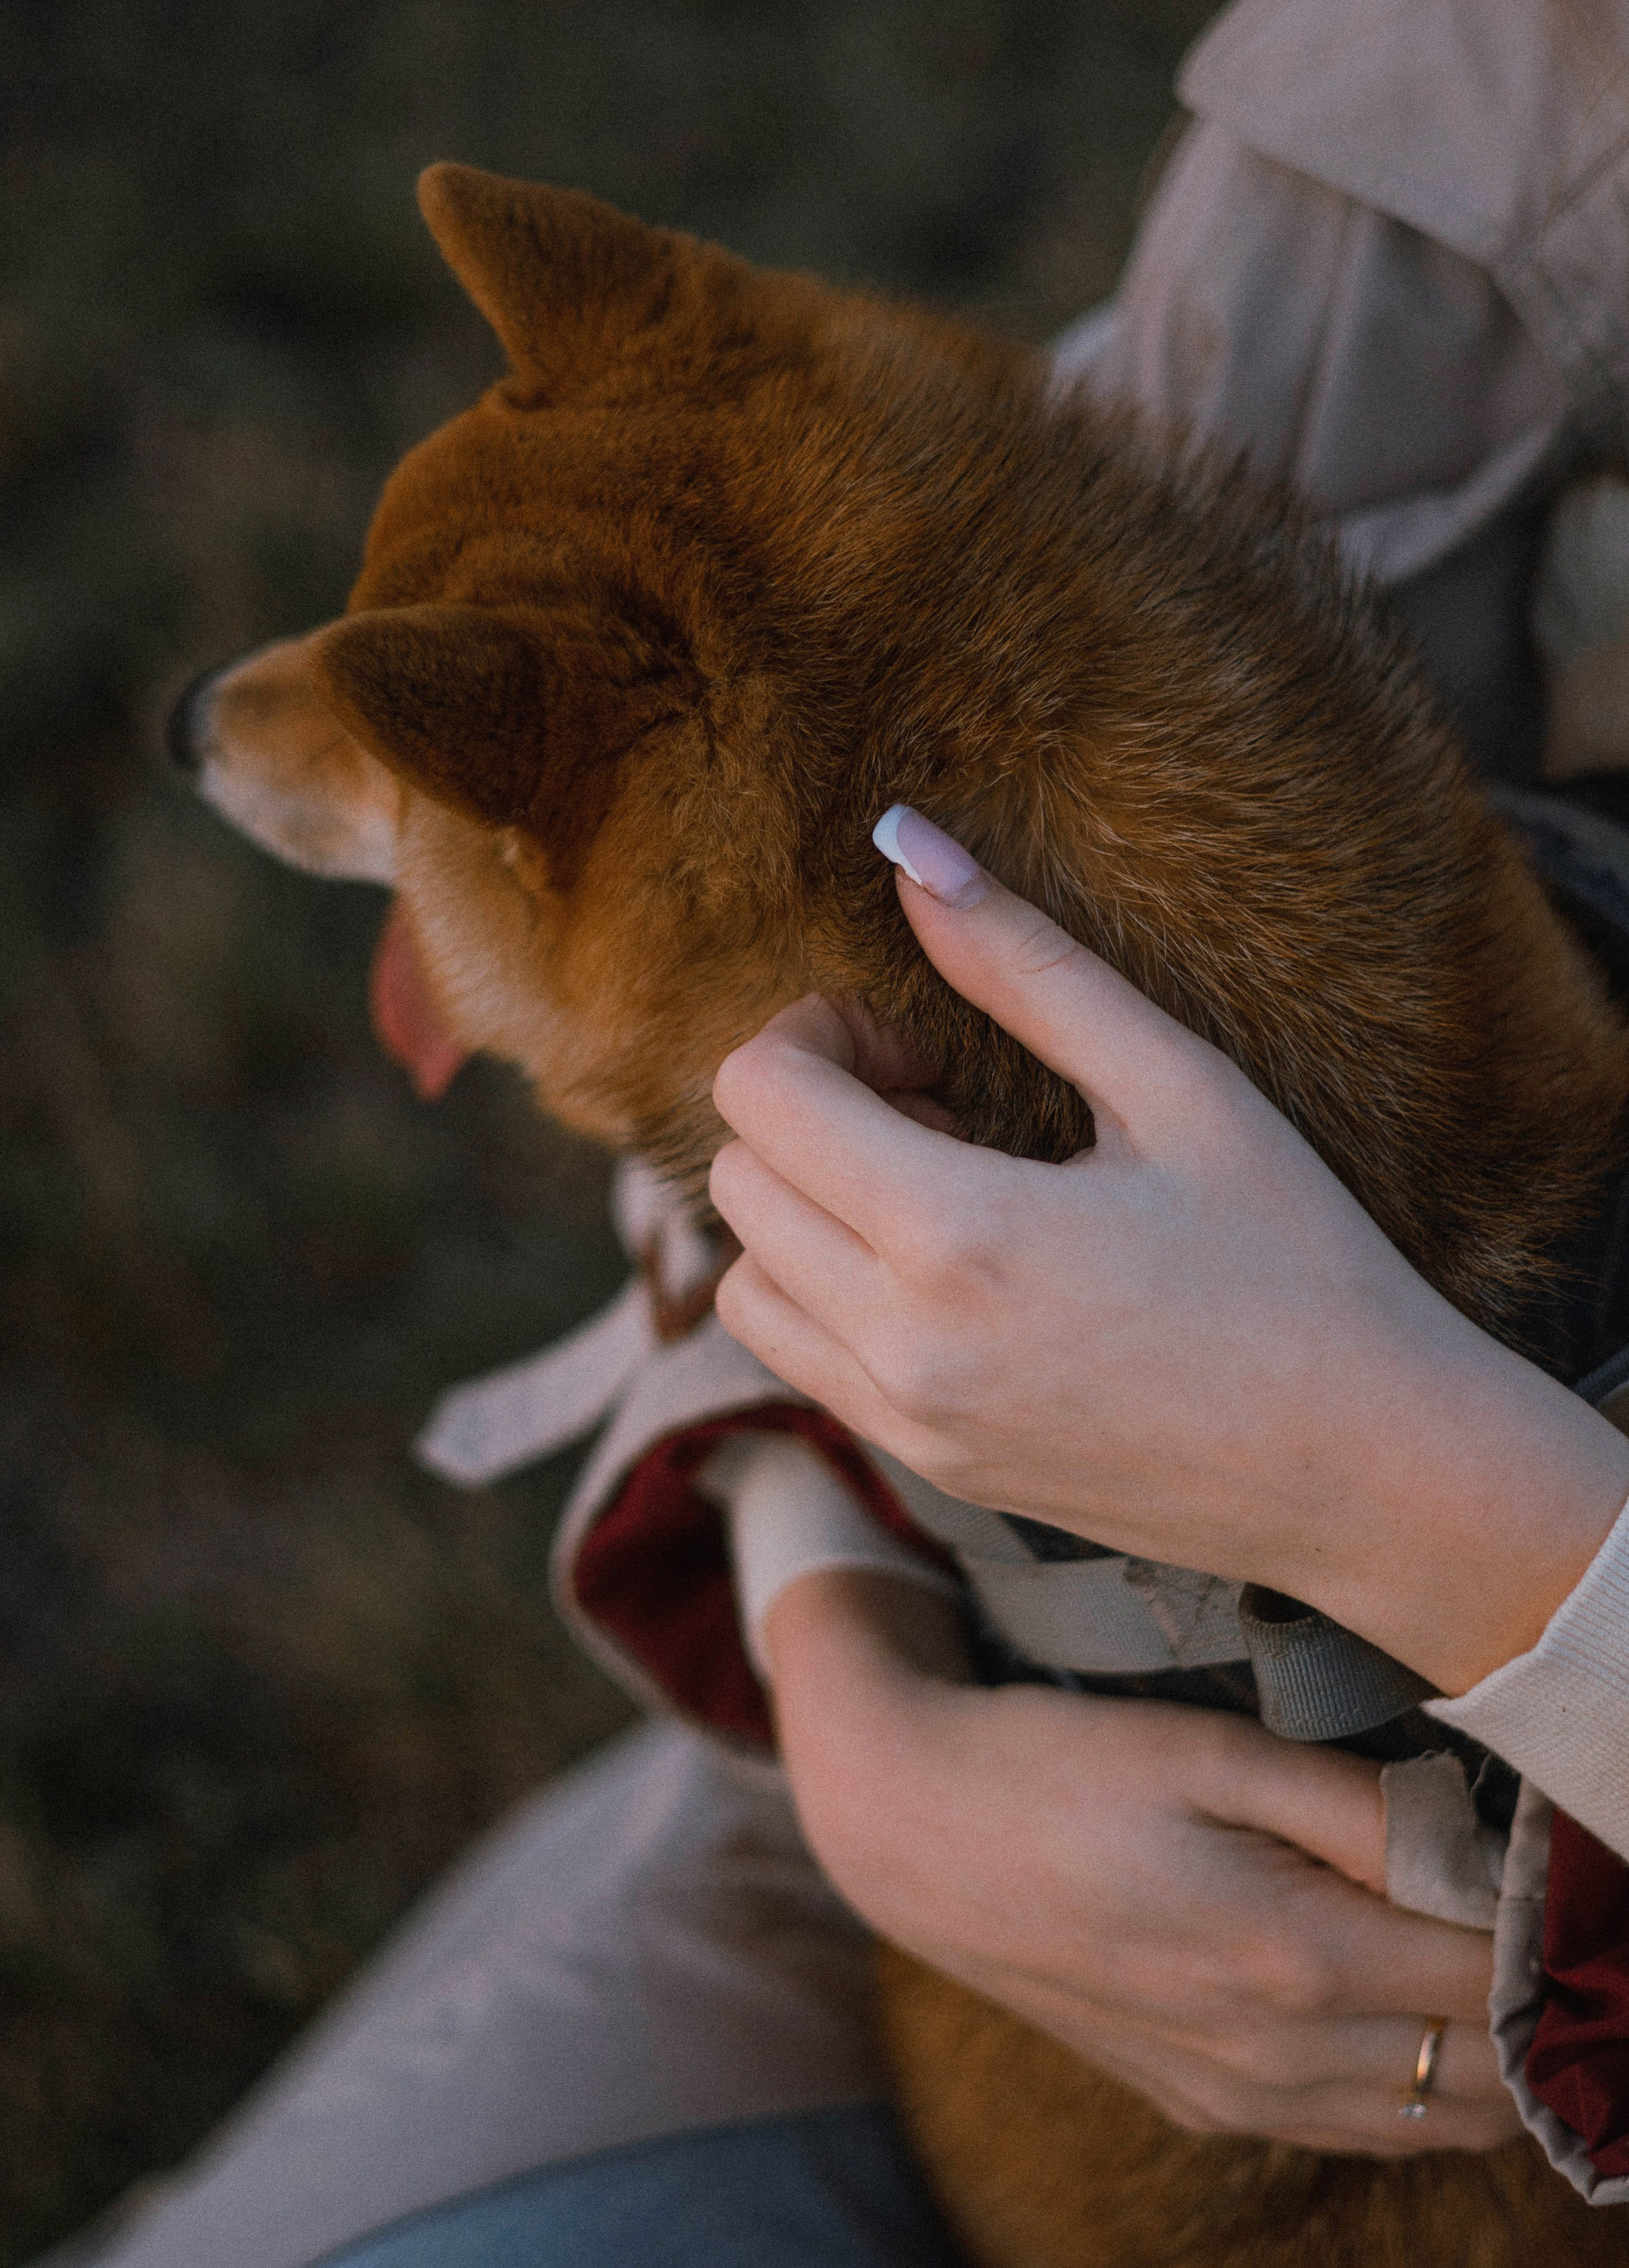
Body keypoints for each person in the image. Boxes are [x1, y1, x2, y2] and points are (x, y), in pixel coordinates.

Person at [50, 1, 1629, 2262]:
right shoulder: (1473, 90)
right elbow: (878, 655)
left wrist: (1388, 1487)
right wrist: (854, 1694)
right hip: (966, 1800)